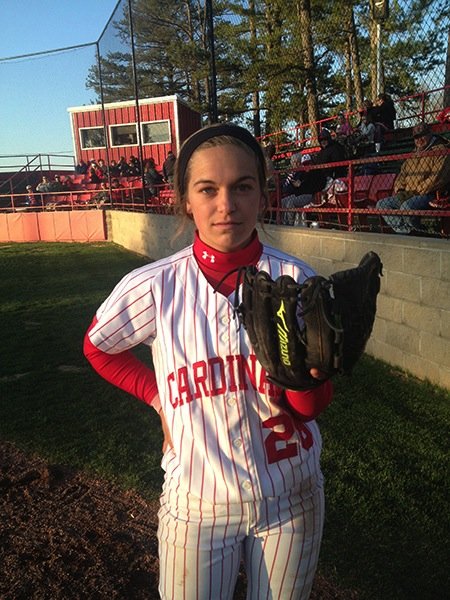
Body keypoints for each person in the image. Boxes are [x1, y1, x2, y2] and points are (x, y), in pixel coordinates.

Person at [83, 123, 333, 600]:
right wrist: (158, 398)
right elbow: (98, 346)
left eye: (243, 186)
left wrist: (305, 379)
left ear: (262, 194)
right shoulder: (153, 285)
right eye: (208, 189)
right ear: (185, 201)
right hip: (198, 502)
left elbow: (311, 407)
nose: (227, 204)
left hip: (291, 495)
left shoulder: (297, 279)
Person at [376, 123, 450, 234]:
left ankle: (417, 233)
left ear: (430, 134)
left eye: (422, 135)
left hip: (429, 194)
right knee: (382, 205)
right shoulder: (413, 153)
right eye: (415, 137)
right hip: (407, 193)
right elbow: (402, 174)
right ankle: (408, 232)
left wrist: (415, 192)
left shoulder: (441, 150)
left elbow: (436, 179)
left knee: (406, 207)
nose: (418, 139)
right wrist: (400, 189)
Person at [281, 153, 318, 225]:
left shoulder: (313, 172)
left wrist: (299, 185)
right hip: (299, 193)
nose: (306, 166)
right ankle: (284, 222)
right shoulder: (301, 172)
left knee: (290, 202)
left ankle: (290, 224)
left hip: (308, 195)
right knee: (283, 201)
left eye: (308, 163)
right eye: (305, 164)